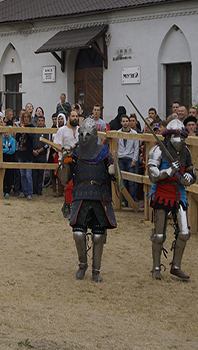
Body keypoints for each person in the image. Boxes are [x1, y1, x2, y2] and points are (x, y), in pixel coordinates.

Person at [60, 118, 117, 282]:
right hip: (81, 194)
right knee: (78, 233)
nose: (84, 137)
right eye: (82, 134)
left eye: (88, 134)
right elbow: (65, 180)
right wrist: (66, 163)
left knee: (98, 236)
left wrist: (113, 170)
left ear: (94, 135)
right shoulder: (75, 153)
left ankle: (96, 271)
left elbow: (114, 178)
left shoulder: (104, 152)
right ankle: (82, 264)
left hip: (99, 194)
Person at [147, 119, 196, 281]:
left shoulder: (186, 152)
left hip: (178, 193)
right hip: (161, 192)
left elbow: (191, 171)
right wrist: (169, 170)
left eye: (181, 136)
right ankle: (155, 267)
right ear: (169, 136)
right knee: (159, 235)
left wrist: (189, 176)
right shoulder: (158, 150)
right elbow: (153, 176)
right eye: (176, 135)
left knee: (184, 232)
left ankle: (176, 266)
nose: (179, 139)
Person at [54, 110, 79, 217]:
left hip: (78, 161)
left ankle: (73, 205)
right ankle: (68, 206)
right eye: (73, 116)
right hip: (66, 162)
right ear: (68, 117)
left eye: (76, 116)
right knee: (69, 185)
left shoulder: (80, 130)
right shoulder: (62, 131)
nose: (75, 118)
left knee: (78, 185)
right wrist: (63, 151)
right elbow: (56, 145)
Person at [118, 115, 139, 201]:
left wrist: (134, 160)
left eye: (127, 121)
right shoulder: (118, 133)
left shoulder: (134, 133)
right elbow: (115, 146)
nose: (125, 123)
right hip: (121, 159)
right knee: (122, 181)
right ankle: (124, 200)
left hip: (130, 158)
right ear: (121, 123)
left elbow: (136, 148)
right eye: (123, 121)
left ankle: (132, 199)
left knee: (131, 182)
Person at [15, 111, 34, 200]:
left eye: (27, 117)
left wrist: (25, 130)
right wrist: (20, 129)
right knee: (22, 174)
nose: (26, 118)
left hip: (28, 153)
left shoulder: (32, 127)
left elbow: (31, 137)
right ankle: (25, 191)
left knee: (28, 175)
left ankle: (30, 192)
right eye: (24, 117)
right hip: (21, 153)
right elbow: (17, 138)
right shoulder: (21, 126)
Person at [32, 115, 49, 196]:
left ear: (44, 122)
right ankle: (34, 189)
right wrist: (33, 151)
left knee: (41, 173)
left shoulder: (46, 131)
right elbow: (31, 142)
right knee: (34, 173)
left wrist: (39, 151)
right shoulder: (34, 131)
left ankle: (39, 190)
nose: (40, 122)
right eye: (39, 121)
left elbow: (47, 144)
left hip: (42, 154)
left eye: (42, 121)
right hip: (33, 154)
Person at [2, 129, 16, 198]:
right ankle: (3, 190)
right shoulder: (2, 139)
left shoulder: (13, 140)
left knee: (9, 175)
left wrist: (4, 150)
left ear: (10, 133)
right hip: (4, 158)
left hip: (10, 158)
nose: (6, 134)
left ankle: (8, 190)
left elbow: (13, 150)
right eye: (4, 133)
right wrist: (7, 150)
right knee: (4, 175)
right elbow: (0, 149)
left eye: (7, 132)